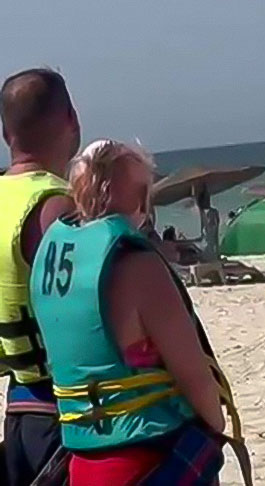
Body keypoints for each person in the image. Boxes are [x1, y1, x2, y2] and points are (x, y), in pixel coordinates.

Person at [29, 140, 244, 486]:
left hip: (81, 460)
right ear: (141, 199)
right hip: (148, 459)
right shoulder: (138, 265)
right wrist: (215, 426)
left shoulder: (51, 260)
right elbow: (195, 377)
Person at [0, 68, 80, 486]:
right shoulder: (57, 206)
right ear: (72, 120)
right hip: (69, 413)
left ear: (5, 133)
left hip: (18, 409)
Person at [194, 184, 220, 262]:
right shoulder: (202, 213)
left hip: (209, 248)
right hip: (206, 248)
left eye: (208, 199)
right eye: (206, 199)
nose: (208, 201)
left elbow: (216, 232)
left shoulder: (213, 212)